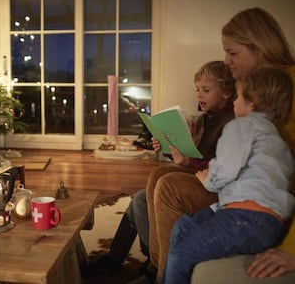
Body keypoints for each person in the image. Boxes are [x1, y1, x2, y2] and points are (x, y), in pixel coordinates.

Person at [142, 7, 295, 284]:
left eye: (233, 53)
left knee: (169, 186)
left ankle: (165, 273)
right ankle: (157, 268)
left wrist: (292, 249)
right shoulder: (243, 103)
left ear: (260, 47)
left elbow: (228, 163)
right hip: (249, 187)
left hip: (256, 199)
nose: (226, 61)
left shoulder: (256, 108)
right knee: (158, 176)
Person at [89, 60, 236, 275]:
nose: (199, 95)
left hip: (214, 185)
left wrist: (188, 162)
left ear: (226, 92)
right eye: (197, 89)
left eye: (206, 90)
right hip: (196, 175)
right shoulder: (203, 120)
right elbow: (189, 155)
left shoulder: (232, 123)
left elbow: (219, 166)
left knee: (143, 197)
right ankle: (129, 259)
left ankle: (152, 265)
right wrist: (167, 148)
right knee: (145, 191)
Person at [161, 68, 294, 284]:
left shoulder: (242, 125)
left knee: (180, 255)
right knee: (183, 226)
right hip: (269, 223)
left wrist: (208, 180)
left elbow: (226, 168)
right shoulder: (278, 140)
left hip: (245, 219)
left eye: (239, 96)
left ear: (253, 101)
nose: (235, 101)